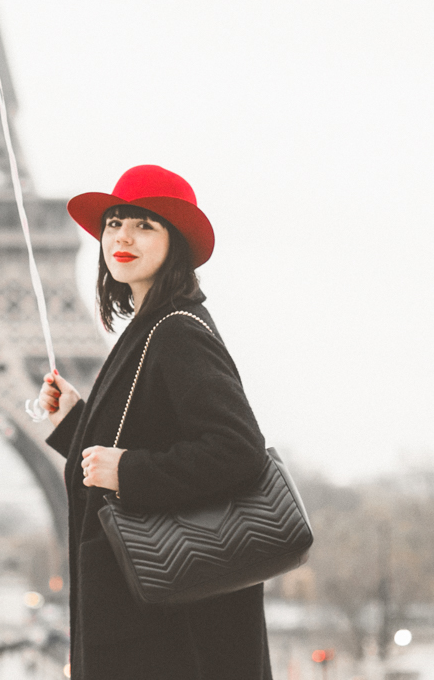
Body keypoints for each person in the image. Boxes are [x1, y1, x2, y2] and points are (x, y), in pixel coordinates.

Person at [40, 165, 272, 680]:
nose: (122, 237)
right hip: (154, 618)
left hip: (173, 631)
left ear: (177, 244)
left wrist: (130, 473)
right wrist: (75, 424)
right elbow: (143, 439)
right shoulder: (149, 328)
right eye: (114, 223)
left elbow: (237, 449)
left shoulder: (176, 331)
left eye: (145, 226)